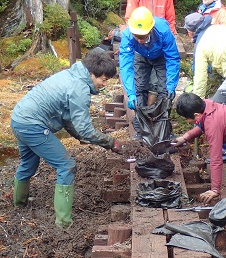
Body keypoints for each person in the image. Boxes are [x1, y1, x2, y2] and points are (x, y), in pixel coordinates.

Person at [11, 50, 123, 229]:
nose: (104, 84)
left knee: (28, 163)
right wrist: (111, 143)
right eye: (103, 79)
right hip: (32, 126)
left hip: (19, 118)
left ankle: (19, 204)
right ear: (91, 73)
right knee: (67, 166)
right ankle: (63, 223)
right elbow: (85, 129)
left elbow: (67, 118)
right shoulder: (79, 89)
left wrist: (80, 136)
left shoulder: (71, 74)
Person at [172, 93, 226, 205]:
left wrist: (215, 190)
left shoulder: (213, 124)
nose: (187, 121)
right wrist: (185, 137)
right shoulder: (207, 105)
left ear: (196, 115)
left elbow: (216, 159)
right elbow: (201, 126)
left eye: (186, 119)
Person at [119, 6, 180, 139]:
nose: (140, 39)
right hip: (140, 55)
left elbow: (172, 58)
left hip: (161, 56)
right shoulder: (128, 35)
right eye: (137, 36)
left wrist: (171, 85)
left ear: (151, 29)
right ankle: (142, 129)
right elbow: (126, 65)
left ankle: (163, 129)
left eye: (143, 36)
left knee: (164, 91)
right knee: (139, 88)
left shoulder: (163, 31)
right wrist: (130, 93)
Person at [183, 12, 226, 106]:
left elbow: (201, 80)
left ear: (190, 32)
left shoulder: (201, 45)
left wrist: (196, 106)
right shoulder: (220, 27)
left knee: (214, 108)